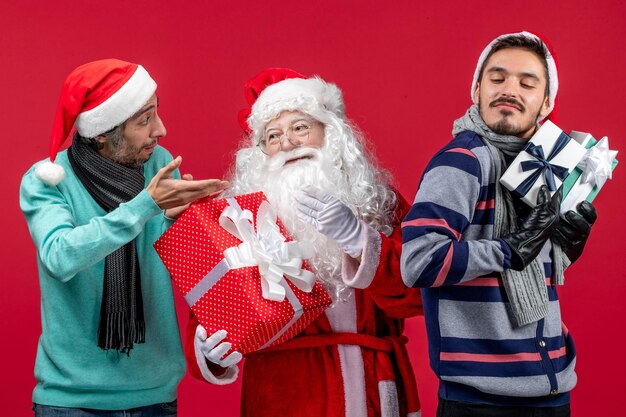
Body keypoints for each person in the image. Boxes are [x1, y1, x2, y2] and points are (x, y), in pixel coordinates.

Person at [186, 68, 423, 417]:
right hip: (284, 393)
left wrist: (359, 239)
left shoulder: (380, 202)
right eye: (272, 135)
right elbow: (208, 316)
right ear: (260, 151)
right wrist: (207, 350)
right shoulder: (238, 222)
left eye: (300, 128)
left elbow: (418, 294)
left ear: (332, 133)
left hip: (373, 388)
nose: (287, 143)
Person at [400, 32, 597, 417]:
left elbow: (529, 274)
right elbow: (418, 262)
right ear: (476, 89)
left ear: (546, 102)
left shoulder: (544, 164)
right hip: (481, 401)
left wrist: (566, 250)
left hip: (552, 388)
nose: (510, 90)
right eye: (497, 78)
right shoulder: (462, 160)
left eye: (527, 83)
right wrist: (511, 248)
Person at [20, 59, 231, 416]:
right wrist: (145, 205)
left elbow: (167, 262)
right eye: (144, 120)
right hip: (72, 401)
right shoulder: (47, 180)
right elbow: (59, 256)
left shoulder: (158, 163)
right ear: (103, 132)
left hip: (155, 394)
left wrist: (186, 224)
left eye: (156, 113)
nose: (160, 130)